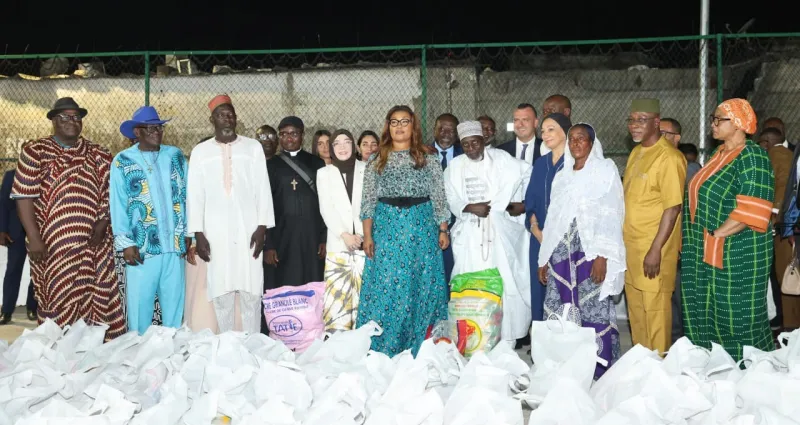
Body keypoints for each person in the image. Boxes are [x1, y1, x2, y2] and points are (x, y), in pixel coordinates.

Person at [11, 97, 125, 340]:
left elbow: (111, 193)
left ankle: (96, 353)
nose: (73, 122)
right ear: (53, 120)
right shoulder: (35, 152)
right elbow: (23, 197)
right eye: (65, 117)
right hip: (54, 246)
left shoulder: (99, 154)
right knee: (57, 297)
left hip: (95, 245)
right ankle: (58, 353)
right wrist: (34, 238)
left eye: (77, 117)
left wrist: (104, 222)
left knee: (99, 296)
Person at [682, 98, 774, 359]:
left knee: (735, 315)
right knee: (703, 310)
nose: (713, 123)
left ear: (738, 124)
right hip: (706, 249)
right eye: (713, 118)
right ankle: (711, 370)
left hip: (737, 253)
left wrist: (717, 235)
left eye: (718, 119)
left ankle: (746, 372)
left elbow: (753, 208)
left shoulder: (753, 156)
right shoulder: (717, 155)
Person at [357, 105, 450, 356]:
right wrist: (368, 236)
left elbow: (438, 196)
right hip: (388, 229)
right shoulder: (377, 160)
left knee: (421, 285)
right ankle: (385, 346)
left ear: (413, 125)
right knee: (388, 286)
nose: (399, 127)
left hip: (422, 228)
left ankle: (422, 345)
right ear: (388, 126)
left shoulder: (428, 158)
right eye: (394, 122)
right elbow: (368, 202)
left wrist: (443, 228)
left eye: (404, 121)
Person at [538, 123, 626, 378]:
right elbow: (553, 219)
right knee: (561, 307)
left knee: (593, 309)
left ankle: (599, 368)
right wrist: (544, 258)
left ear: (592, 142)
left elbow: (612, 215)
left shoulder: (605, 170)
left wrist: (602, 257)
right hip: (562, 253)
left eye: (582, 138)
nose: (576, 143)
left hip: (590, 251)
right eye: (572, 139)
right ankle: (564, 367)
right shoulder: (562, 176)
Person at [187, 94, 275, 333]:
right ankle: (227, 345)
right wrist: (198, 234)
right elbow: (194, 195)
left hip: (249, 229)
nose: (228, 118)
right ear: (212, 119)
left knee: (251, 289)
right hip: (215, 231)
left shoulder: (252, 147)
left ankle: (252, 343)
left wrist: (262, 227)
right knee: (221, 288)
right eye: (221, 114)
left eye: (231, 113)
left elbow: (262, 188)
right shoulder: (200, 152)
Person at [444, 120, 531, 346]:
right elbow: (452, 196)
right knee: (470, 281)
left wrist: (504, 205)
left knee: (504, 280)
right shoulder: (455, 166)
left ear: (483, 140)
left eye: (475, 143)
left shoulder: (501, 160)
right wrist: (470, 207)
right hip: (469, 233)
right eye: (466, 145)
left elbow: (524, 171)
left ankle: (506, 339)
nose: (471, 149)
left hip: (498, 232)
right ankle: (474, 337)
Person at [110, 106, 187, 334]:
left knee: (174, 307)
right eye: (150, 128)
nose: (156, 132)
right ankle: (138, 355)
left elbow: (186, 196)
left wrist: (189, 234)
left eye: (159, 127)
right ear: (137, 132)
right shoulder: (123, 161)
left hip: (174, 246)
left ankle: (171, 355)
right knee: (139, 308)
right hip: (142, 248)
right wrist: (125, 243)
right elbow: (118, 203)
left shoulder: (175, 156)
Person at [622, 98, 686, 355]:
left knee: (656, 314)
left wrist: (656, 249)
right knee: (636, 314)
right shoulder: (637, 152)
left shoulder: (670, 157)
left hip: (653, 251)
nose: (634, 125)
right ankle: (641, 366)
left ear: (656, 122)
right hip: (631, 249)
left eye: (641, 120)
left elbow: (673, 208)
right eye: (631, 119)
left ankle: (660, 371)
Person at [264, 116, 327, 292]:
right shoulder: (271, 165)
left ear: (302, 135)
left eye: (293, 133)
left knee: (312, 281)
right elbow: (264, 205)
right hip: (282, 236)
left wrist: (324, 238)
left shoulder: (316, 163)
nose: (288, 138)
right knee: (284, 282)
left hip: (312, 236)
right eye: (283, 134)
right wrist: (268, 245)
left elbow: (326, 203)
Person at [317, 129, 367, 332]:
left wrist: (363, 235)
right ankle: (338, 343)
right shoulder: (324, 173)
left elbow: (372, 204)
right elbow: (326, 208)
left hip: (365, 244)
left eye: (347, 142)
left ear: (354, 145)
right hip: (338, 244)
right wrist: (345, 235)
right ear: (331, 148)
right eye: (337, 143)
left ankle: (366, 340)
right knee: (339, 299)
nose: (342, 147)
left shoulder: (367, 168)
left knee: (364, 296)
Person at [526, 113, 571, 322]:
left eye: (551, 129)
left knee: (565, 290)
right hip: (539, 238)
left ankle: (564, 342)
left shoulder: (575, 164)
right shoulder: (540, 164)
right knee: (539, 289)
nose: (545, 134)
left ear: (565, 131)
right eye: (542, 131)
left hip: (566, 241)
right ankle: (541, 343)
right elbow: (531, 202)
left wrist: (553, 237)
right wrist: (536, 229)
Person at [762, 126, 792, 332]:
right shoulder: (790, 154)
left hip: (783, 226)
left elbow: (778, 189)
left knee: (785, 276)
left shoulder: (774, 156)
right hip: (789, 225)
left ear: (766, 143)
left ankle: (790, 325)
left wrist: (772, 218)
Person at [0, 168, 36, 324]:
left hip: (39, 233)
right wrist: (2, 230)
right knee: (13, 269)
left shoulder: (44, 172)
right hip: (16, 232)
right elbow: (3, 204)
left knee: (37, 271)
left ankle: (33, 308)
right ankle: (6, 311)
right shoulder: (11, 176)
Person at [432, 113, 463, 285]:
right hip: (429, 222)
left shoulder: (465, 154)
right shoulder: (421, 153)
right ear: (434, 130)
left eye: (451, 130)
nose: (445, 133)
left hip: (457, 221)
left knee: (454, 271)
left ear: (457, 134)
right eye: (441, 129)